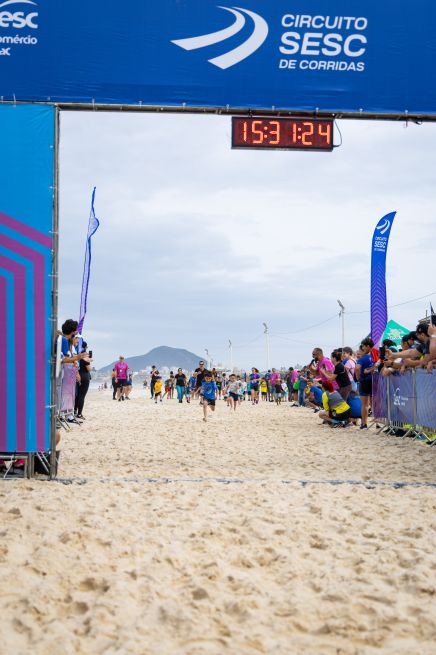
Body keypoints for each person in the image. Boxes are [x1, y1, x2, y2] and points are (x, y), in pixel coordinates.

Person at [355, 338, 375, 430]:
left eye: (363, 346)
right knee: (373, 403)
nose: (362, 348)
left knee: (365, 404)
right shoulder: (374, 356)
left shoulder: (363, 359)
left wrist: (358, 378)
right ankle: (377, 423)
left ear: (367, 346)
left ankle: (364, 423)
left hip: (364, 381)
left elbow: (357, 368)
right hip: (373, 380)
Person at [74, 340, 92, 419]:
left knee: (77, 395)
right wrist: (89, 362)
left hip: (77, 376)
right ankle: (79, 413)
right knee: (82, 396)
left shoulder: (76, 354)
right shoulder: (85, 356)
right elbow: (89, 369)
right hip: (85, 377)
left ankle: (74, 411)